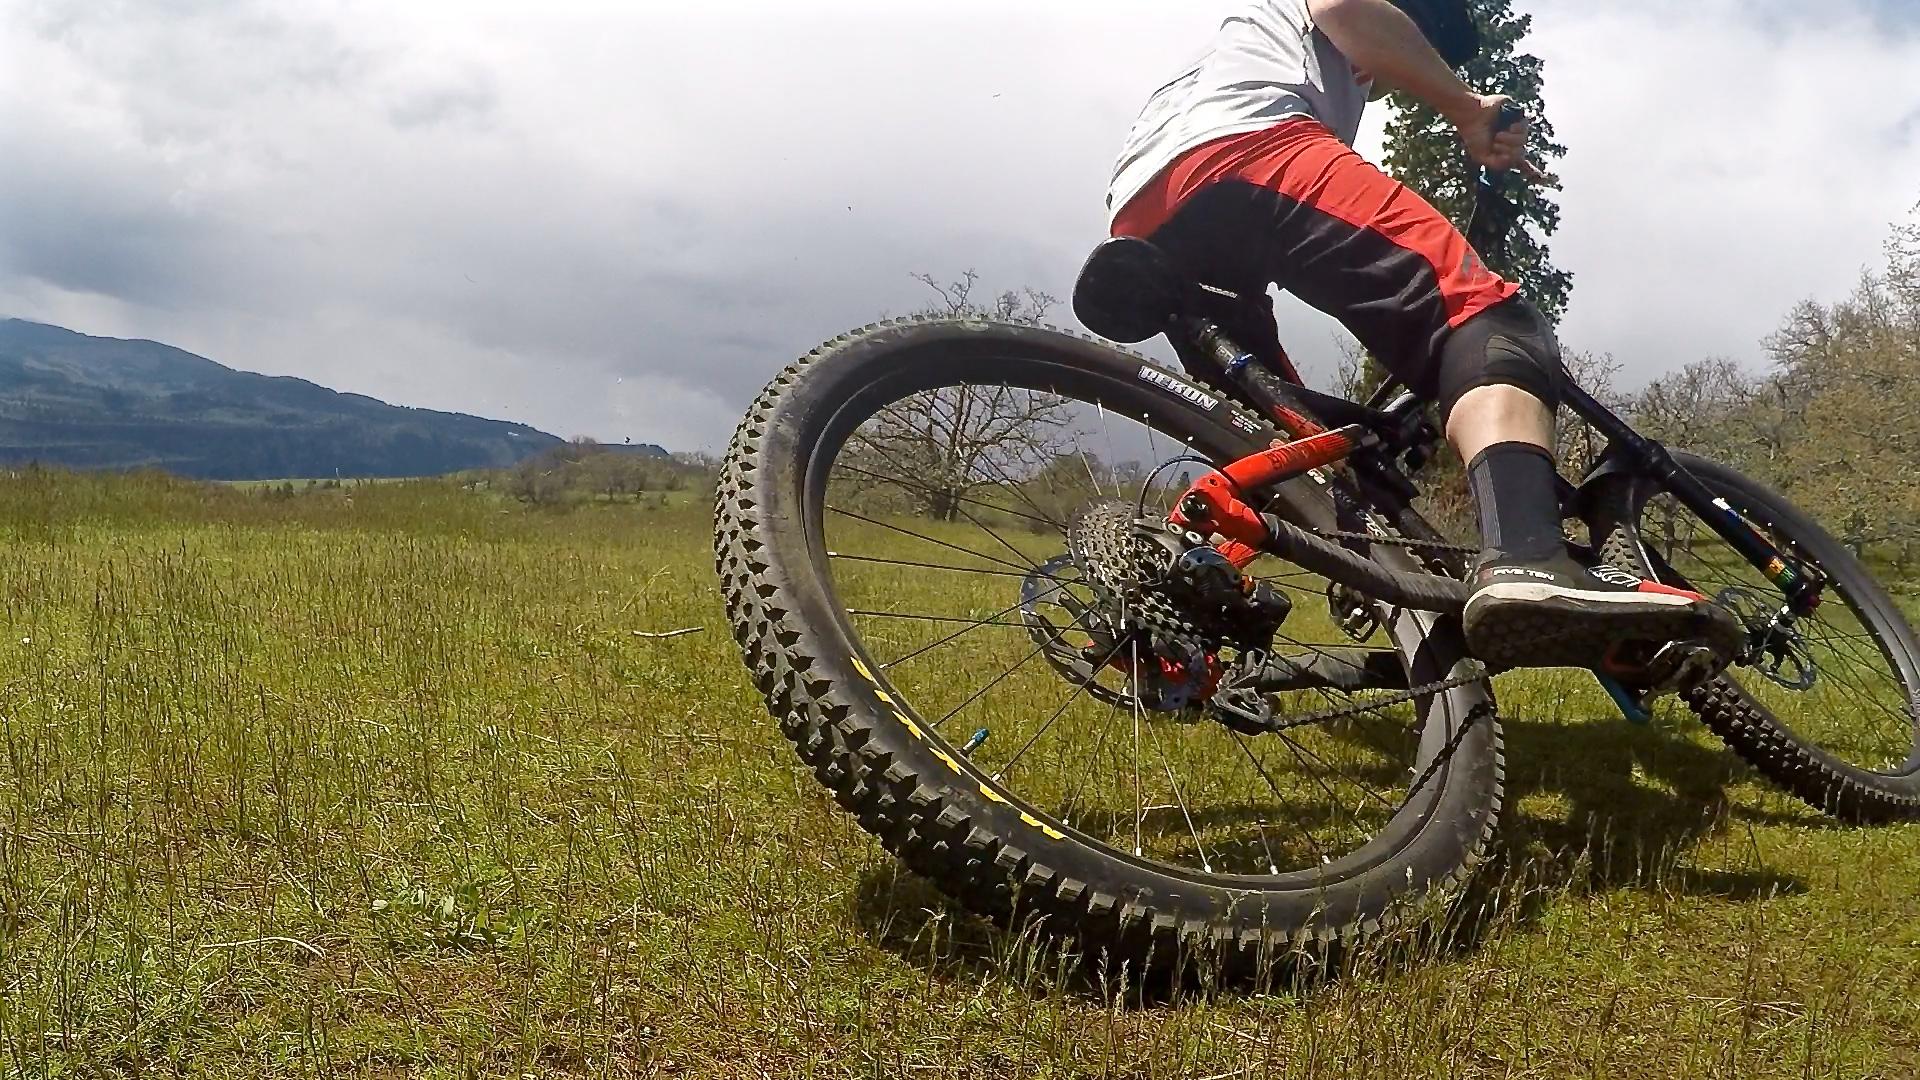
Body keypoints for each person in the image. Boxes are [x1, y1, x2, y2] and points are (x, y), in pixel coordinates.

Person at [1105, 0, 1722, 671]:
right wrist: (1466, 107)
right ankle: (1526, 558)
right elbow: (1346, 6)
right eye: (1423, 35)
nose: (1409, 65)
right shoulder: (1308, 53)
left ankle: (1158, 627)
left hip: (1143, 205)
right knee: (1490, 322)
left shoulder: (1254, 54)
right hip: (1248, 145)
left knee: (1296, 446)